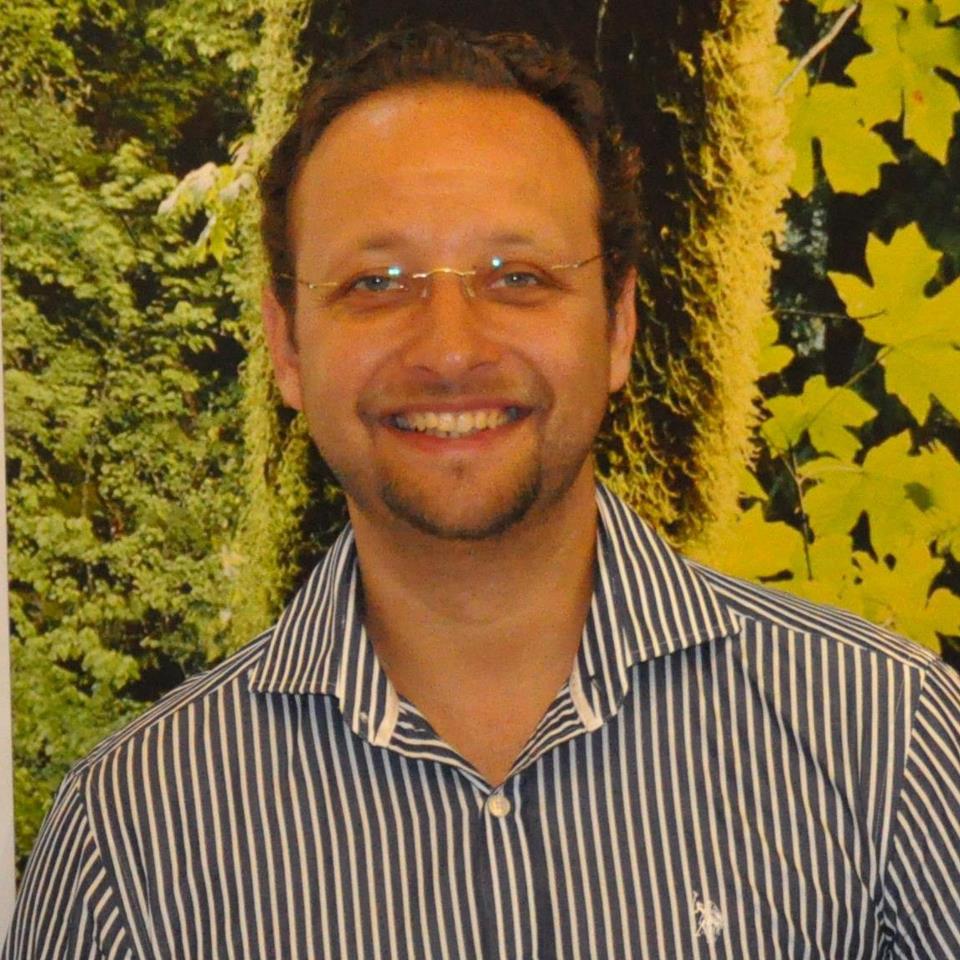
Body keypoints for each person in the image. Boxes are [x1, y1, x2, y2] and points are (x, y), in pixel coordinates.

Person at [6, 23, 960, 960]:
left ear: (618, 326)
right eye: (377, 283)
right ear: (288, 347)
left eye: (518, 277)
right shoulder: (129, 845)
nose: (451, 349)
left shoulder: (891, 748)